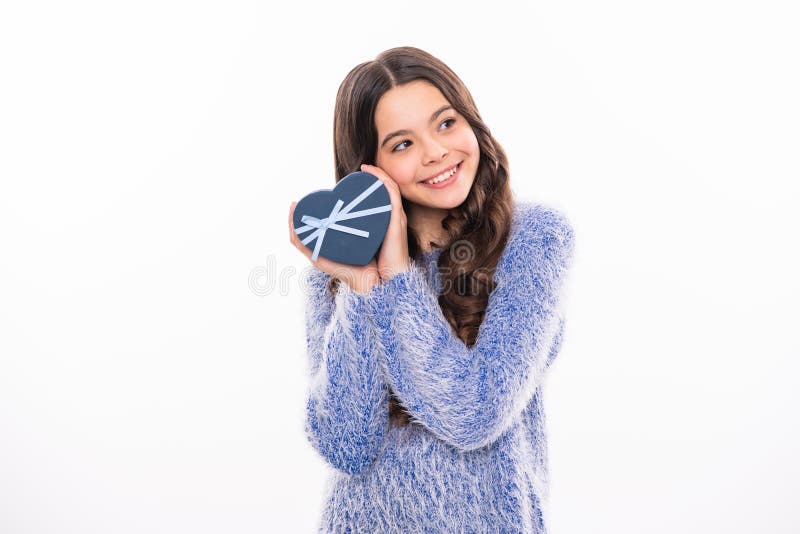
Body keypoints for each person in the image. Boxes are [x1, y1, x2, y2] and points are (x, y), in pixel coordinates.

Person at [287, 46, 575, 533]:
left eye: (445, 123)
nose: (436, 151)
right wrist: (362, 283)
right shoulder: (332, 275)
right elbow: (344, 444)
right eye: (402, 144)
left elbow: (475, 413)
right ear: (368, 169)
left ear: (471, 122)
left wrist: (398, 280)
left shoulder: (535, 239)